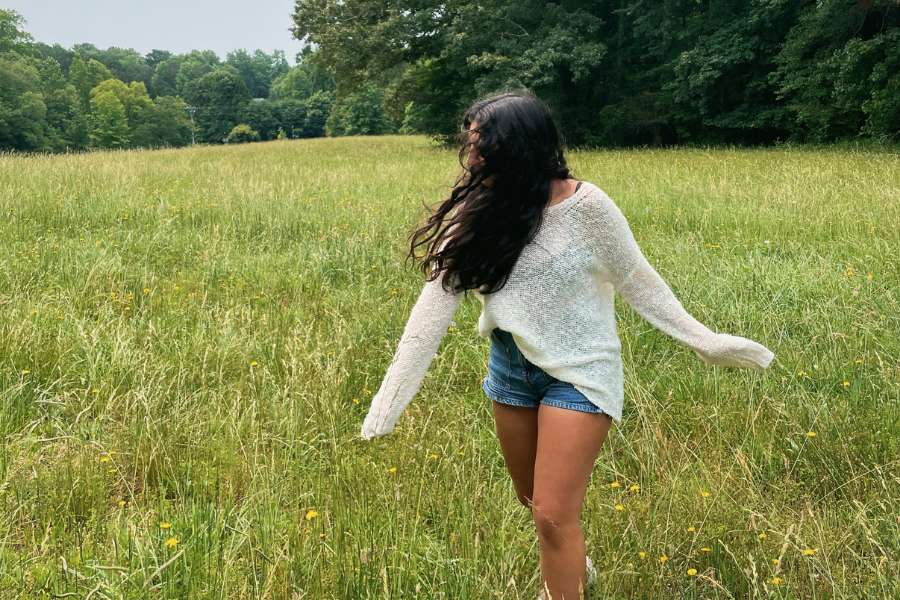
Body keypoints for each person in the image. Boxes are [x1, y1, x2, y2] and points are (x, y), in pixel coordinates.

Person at [360, 90, 775, 599]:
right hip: (511, 369)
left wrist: (704, 341)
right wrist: (391, 398)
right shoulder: (480, 208)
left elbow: (639, 280)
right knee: (532, 499)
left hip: (581, 371)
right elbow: (432, 307)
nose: (472, 158)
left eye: (483, 147)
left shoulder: (588, 207)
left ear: (521, 148)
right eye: (470, 145)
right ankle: (577, 566)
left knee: (554, 517)